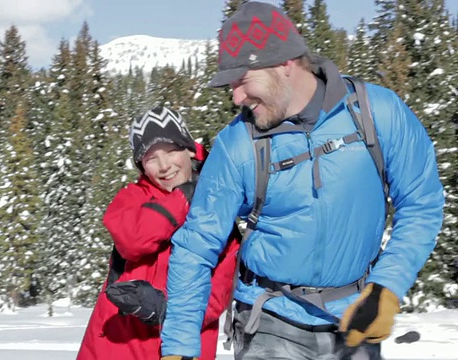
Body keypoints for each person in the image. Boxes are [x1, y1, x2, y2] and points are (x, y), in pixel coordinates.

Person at [159, 2, 444, 360]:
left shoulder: (376, 113)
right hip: (269, 320)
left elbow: (421, 203)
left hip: (355, 319)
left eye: (242, 80)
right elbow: (197, 244)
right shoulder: (237, 144)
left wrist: (386, 286)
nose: (236, 97)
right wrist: (179, 348)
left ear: (285, 63)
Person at [77, 106, 241, 360]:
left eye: (171, 151)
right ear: (142, 165)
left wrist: (166, 310)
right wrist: (183, 198)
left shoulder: (217, 206)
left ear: (189, 149)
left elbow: (220, 291)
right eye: (151, 158)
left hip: (182, 347)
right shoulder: (132, 198)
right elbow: (133, 240)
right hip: (116, 346)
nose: (164, 166)